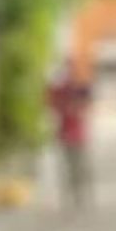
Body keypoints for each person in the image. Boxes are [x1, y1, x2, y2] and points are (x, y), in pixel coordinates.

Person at [46, 58, 94, 210]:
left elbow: (87, 103)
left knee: (79, 166)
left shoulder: (80, 87)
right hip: (65, 133)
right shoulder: (60, 88)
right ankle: (71, 197)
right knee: (68, 167)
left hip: (78, 133)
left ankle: (81, 196)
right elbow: (50, 102)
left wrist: (77, 107)